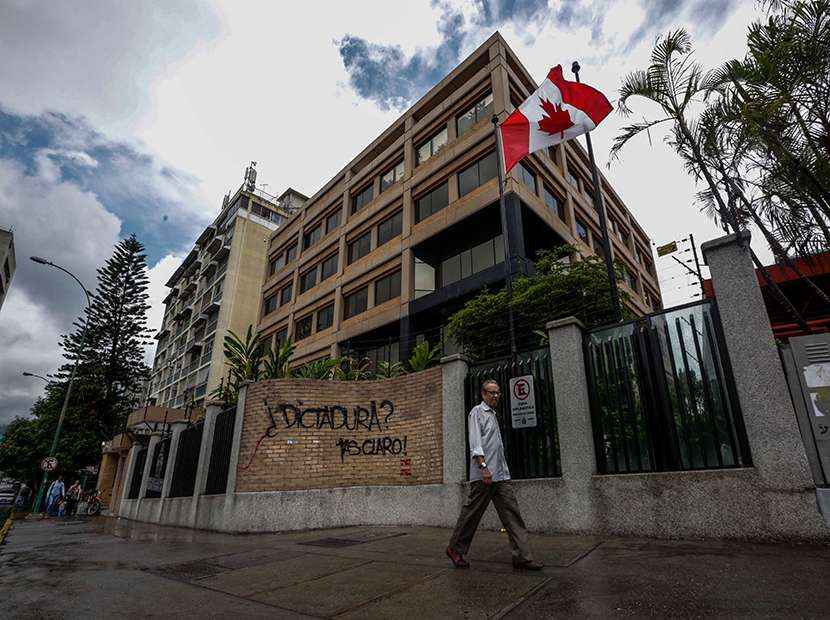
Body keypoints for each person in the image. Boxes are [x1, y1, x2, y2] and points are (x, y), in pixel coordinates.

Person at [446, 379, 544, 570]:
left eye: (497, 392)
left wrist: (502, 470)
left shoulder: (493, 415)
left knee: (512, 515)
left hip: (501, 475)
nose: (495, 395)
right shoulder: (477, 412)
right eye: (491, 392)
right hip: (485, 476)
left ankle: (523, 557)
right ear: (483, 394)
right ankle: (455, 549)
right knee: (471, 514)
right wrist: (483, 467)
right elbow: (475, 443)